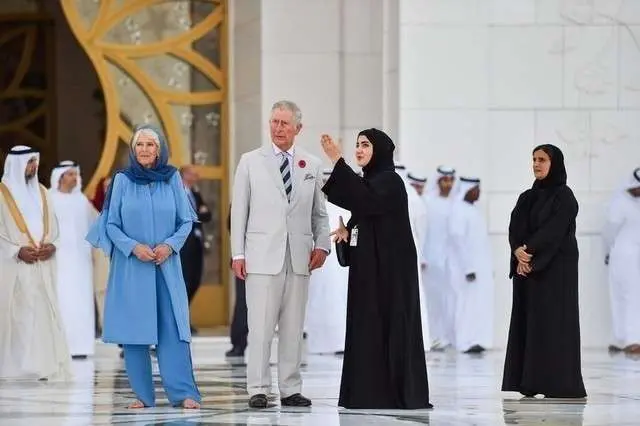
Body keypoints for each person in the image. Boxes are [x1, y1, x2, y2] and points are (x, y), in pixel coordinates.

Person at [86, 125, 201, 409]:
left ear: (159, 149)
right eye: (140, 145)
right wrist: (133, 247)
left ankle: (183, 393)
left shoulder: (172, 178)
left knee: (173, 329)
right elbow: (110, 223)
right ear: (133, 150)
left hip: (165, 265)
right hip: (132, 267)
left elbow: (186, 220)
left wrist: (169, 246)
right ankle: (142, 395)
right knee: (134, 332)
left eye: (151, 145)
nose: (146, 150)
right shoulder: (122, 180)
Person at [320, 128, 432, 410]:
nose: (359, 149)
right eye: (357, 145)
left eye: (365, 145)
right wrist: (348, 235)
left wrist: (338, 162)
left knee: (389, 328)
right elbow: (362, 210)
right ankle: (366, 393)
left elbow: (364, 199)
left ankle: (393, 393)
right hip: (370, 274)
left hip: (390, 277)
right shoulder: (370, 182)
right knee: (367, 328)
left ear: (379, 150)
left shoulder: (389, 182)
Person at [230, 100, 330, 409]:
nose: (278, 128)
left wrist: (322, 245)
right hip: (261, 258)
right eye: (274, 122)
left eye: (285, 123)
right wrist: (238, 254)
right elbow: (240, 213)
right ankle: (258, 388)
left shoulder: (311, 165)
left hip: (298, 258)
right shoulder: (250, 161)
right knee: (260, 327)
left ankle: (290, 389)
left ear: (298, 128)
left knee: (292, 327)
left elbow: (319, 213)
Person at [502, 144, 586, 399]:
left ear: (555, 164)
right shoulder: (527, 197)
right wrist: (518, 251)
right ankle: (529, 382)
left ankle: (558, 383)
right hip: (528, 271)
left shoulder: (565, 196)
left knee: (553, 326)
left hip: (555, 272)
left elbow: (555, 230)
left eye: (542, 160)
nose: (537, 164)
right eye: (534, 159)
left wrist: (529, 253)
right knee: (530, 325)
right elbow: (515, 226)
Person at [0, 145, 71, 380]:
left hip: (41, 265)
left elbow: (55, 226)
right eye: (29, 163)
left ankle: (41, 367)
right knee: (17, 315)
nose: (33, 167)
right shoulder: (2, 193)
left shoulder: (42, 192)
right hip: (14, 266)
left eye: (35, 162)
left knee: (40, 315)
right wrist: (15, 251)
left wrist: (53, 245)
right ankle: (14, 369)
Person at [49, 160, 96, 359]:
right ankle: (59, 346)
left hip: (81, 262)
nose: (73, 178)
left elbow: (95, 226)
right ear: (59, 177)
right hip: (57, 260)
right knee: (61, 300)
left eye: (75, 174)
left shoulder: (82, 201)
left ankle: (81, 346)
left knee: (81, 301)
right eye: (69, 174)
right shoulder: (49, 199)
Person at [304, 169, 350, 355]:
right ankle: (324, 342)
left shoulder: (348, 208)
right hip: (321, 264)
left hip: (342, 265)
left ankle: (339, 342)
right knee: (321, 301)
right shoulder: (316, 207)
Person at [447, 177, 494, 353]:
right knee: (465, 306)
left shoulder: (472, 210)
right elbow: (458, 241)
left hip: (478, 269)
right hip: (466, 270)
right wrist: (468, 268)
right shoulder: (458, 210)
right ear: (467, 190)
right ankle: (464, 341)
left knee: (477, 306)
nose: (478, 193)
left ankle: (476, 340)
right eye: (476, 189)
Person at [602, 167, 640, 354]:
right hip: (621, 256)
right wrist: (608, 252)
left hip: (635, 256)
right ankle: (627, 339)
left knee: (632, 296)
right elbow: (609, 232)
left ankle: (626, 339)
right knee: (623, 296)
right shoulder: (620, 202)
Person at [422, 166, 456, 350]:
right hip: (431, 261)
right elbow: (423, 231)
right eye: (445, 180)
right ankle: (433, 337)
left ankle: (448, 337)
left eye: (451, 180)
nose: (448, 184)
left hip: (450, 262)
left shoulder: (455, 203)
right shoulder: (428, 202)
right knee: (433, 301)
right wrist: (423, 257)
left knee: (450, 301)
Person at [179, 165, 212, 334]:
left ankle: (184, 317)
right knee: (183, 282)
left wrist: (199, 213)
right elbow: (185, 216)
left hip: (197, 243)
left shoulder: (195, 193)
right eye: (192, 173)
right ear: (184, 175)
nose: (196, 175)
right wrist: (198, 213)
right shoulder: (178, 193)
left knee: (195, 281)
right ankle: (182, 321)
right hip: (183, 245)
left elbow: (207, 215)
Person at [226, 205, 248, 358]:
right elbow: (231, 225)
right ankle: (238, 343)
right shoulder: (240, 198)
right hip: (244, 260)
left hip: (269, 258)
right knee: (242, 303)